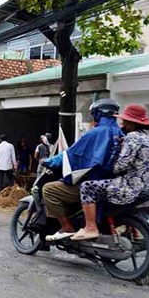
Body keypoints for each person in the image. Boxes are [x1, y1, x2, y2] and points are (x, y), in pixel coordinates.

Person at [71, 104, 149, 241]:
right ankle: (134, 232)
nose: (122, 123)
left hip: (132, 187)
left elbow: (120, 166)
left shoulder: (132, 137)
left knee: (87, 187)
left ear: (131, 122)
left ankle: (90, 227)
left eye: (124, 120)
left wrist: (113, 163)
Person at [41, 99, 123, 241]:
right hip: (115, 184)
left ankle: (67, 228)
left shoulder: (95, 133)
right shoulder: (121, 134)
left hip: (95, 183)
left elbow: (72, 154)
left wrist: (50, 161)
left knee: (49, 189)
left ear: (98, 114)